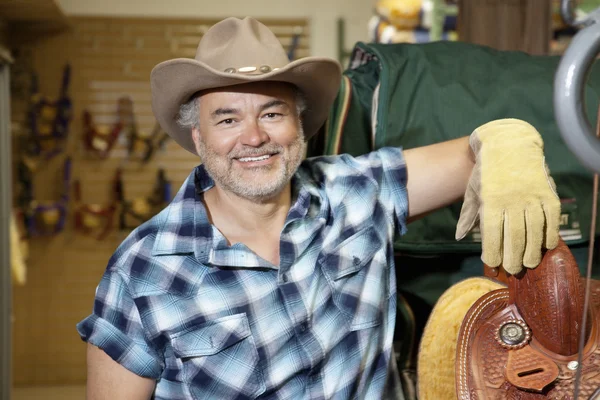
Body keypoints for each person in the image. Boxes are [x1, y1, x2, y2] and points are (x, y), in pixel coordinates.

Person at [76, 16, 561, 399]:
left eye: (272, 113)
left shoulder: (352, 192)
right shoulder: (143, 270)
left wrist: (506, 140)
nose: (253, 137)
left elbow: (473, 151)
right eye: (227, 118)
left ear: (299, 125)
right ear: (199, 137)